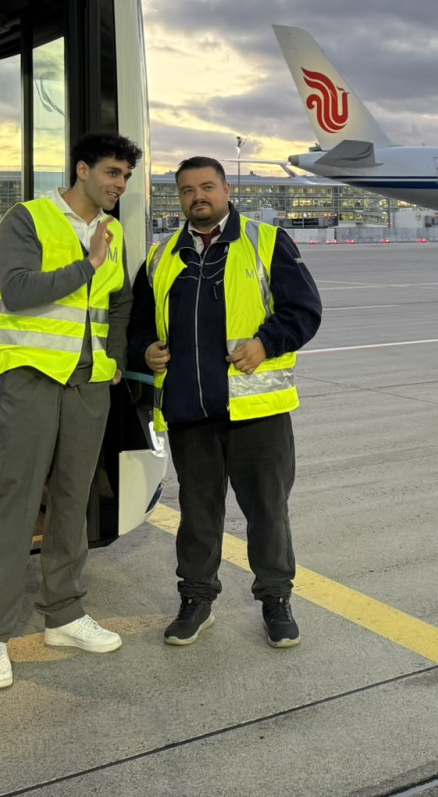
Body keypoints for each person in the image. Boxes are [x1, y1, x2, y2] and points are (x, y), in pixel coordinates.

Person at [0, 131, 143, 690]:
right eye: (113, 173)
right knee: (14, 498)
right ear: (83, 169)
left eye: (126, 177)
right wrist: (87, 265)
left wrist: (114, 356)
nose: (120, 185)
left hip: (88, 383)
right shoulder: (29, 219)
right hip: (29, 374)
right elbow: (17, 291)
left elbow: (120, 301)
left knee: (74, 498)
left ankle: (63, 615)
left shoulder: (112, 231)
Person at [129, 156, 322, 648]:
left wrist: (266, 343)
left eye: (208, 186)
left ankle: (276, 601)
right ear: (179, 198)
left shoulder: (266, 242)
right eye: (188, 190)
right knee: (197, 513)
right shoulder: (160, 257)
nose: (199, 196)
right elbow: (138, 327)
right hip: (189, 410)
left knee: (267, 512)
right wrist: (146, 349)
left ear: (227, 189)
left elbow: (305, 311)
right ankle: (196, 600)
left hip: (255, 412)